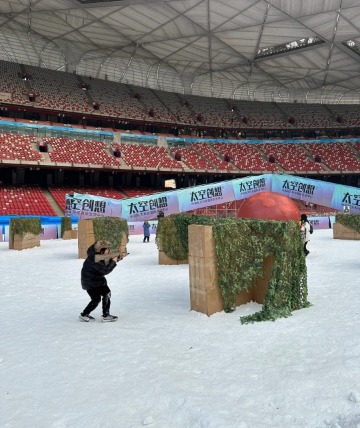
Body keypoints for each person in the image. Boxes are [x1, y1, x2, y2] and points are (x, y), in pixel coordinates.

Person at [79, 240, 119, 322]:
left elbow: (105, 264)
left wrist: (117, 258)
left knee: (105, 294)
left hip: (97, 281)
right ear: (101, 250)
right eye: (107, 249)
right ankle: (85, 314)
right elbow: (105, 270)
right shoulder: (94, 259)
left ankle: (105, 315)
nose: (109, 251)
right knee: (96, 299)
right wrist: (114, 261)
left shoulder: (96, 256)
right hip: (91, 283)